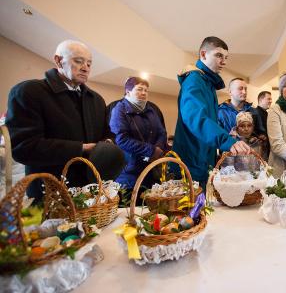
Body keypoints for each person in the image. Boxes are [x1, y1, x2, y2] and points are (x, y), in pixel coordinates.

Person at [6, 40, 124, 201]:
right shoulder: (29, 92)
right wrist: (81, 148)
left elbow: (106, 132)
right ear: (58, 60)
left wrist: (107, 144)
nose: (85, 68)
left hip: (90, 192)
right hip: (50, 194)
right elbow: (23, 147)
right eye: (78, 61)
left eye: (89, 63)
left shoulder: (96, 99)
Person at [172, 36, 250, 188]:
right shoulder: (194, 80)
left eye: (226, 57)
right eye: (219, 55)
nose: (224, 62)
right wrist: (226, 141)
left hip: (202, 159)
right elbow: (196, 118)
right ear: (203, 54)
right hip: (191, 162)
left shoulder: (207, 83)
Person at [109, 76, 168, 191]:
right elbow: (122, 140)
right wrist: (151, 150)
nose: (144, 93)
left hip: (151, 170)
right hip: (129, 172)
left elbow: (162, 133)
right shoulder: (119, 109)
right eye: (139, 89)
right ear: (128, 91)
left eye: (146, 90)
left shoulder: (151, 110)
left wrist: (158, 150)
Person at [251, 91, 272, 159]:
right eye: (268, 99)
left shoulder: (267, 114)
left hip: (267, 150)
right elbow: (251, 132)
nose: (271, 101)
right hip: (259, 151)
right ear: (261, 100)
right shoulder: (254, 113)